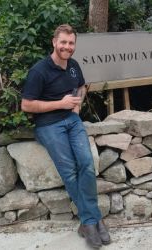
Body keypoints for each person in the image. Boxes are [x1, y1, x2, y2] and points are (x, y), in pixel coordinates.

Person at [21, 24, 110, 249]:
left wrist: (76, 107)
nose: (67, 47)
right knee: (70, 171)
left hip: (72, 121)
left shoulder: (73, 66)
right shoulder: (39, 71)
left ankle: (88, 221)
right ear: (54, 42)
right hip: (48, 125)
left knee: (87, 165)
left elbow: (81, 87)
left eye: (71, 43)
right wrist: (60, 104)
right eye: (63, 42)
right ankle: (92, 220)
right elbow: (26, 105)